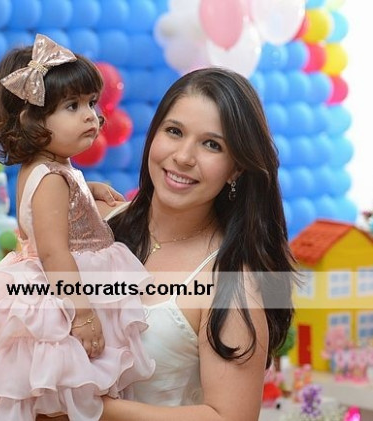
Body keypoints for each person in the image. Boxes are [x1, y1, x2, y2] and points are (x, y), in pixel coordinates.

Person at [0, 34, 155, 421]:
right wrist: (82, 314)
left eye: (91, 103)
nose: (90, 115)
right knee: (68, 387)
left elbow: (47, 207)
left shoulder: (50, 169)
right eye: (73, 106)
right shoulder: (53, 179)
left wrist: (85, 190)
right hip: (66, 291)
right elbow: (55, 251)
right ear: (31, 119)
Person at [96, 67, 297, 420]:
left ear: (236, 168)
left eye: (212, 144)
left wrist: (93, 410)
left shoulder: (232, 283)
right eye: (174, 131)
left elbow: (230, 417)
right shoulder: (97, 225)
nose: (184, 157)